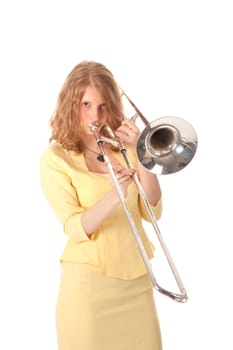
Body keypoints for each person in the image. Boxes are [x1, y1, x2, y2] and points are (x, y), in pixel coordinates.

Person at [40, 60, 163, 350]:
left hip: (136, 283)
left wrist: (140, 153)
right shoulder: (56, 159)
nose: (95, 114)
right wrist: (115, 194)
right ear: (71, 104)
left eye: (103, 105)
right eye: (85, 104)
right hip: (87, 289)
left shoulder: (125, 147)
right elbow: (74, 227)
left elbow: (152, 210)